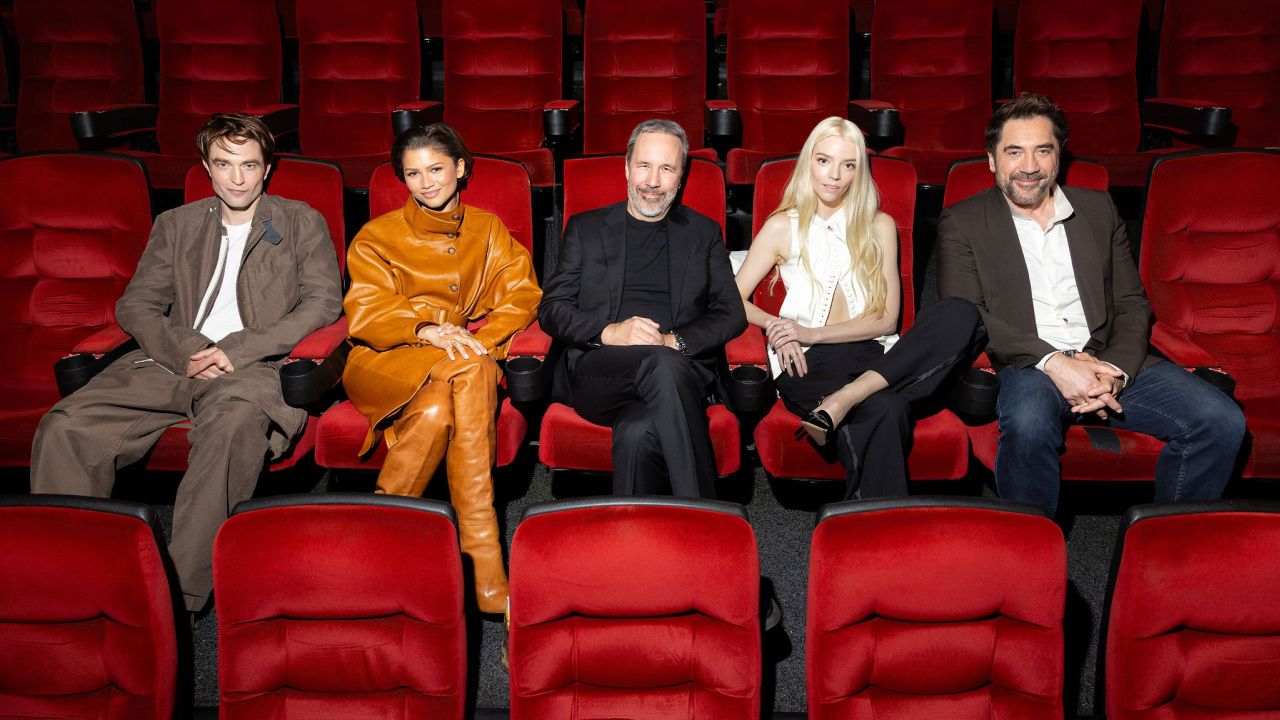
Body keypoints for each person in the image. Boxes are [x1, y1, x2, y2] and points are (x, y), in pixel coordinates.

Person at [30, 113, 343, 615]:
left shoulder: (300, 220)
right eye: (224, 164)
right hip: (168, 361)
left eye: (248, 165)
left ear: (267, 169)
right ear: (206, 167)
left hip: (254, 367)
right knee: (65, 426)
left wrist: (236, 349)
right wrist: (187, 351)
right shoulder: (175, 225)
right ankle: (72, 582)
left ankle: (175, 600)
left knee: (232, 428)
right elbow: (136, 306)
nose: (236, 178)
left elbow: (322, 305)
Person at [938, 93, 1245, 515]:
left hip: (1106, 359)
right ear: (992, 160)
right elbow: (966, 312)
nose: (1028, 167)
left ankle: (1170, 550)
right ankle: (1033, 557)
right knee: (1027, 425)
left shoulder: (1098, 210)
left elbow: (1131, 301)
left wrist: (1114, 370)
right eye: (1014, 152)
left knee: (1221, 421)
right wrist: (1058, 365)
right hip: (1029, 363)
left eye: (1042, 151)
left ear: (1058, 157)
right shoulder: (963, 220)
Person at [343, 123, 540, 614]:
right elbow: (366, 312)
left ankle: (379, 550)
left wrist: (486, 340)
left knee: (436, 414)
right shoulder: (377, 236)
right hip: (386, 358)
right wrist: (426, 330)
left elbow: (523, 296)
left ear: (460, 168)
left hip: (456, 359)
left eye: (436, 169)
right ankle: (487, 570)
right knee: (473, 371)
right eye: (413, 173)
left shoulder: (488, 229)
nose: (426, 182)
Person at [734, 116, 984, 499]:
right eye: (823, 161)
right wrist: (778, 326)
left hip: (876, 356)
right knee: (888, 410)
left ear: (859, 171)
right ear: (808, 163)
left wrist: (811, 332)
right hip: (808, 361)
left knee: (962, 314)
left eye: (848, 165)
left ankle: (841, 402)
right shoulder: (783, 226)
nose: (834, 175)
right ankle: (878, 533)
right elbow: (732, 299)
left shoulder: (880, 226)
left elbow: (886, 319)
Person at [539, 119, 746, 498]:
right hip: (600, 371)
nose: (652, 181)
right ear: (627, 168)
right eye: (644, 166)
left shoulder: (702, 233)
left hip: (678, 371)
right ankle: (706, 517)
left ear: (680, 178)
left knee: (637, 432)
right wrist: (610, 332)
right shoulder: (586, 229)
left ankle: (637, 541)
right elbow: (552, 309)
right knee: (658, 363)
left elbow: (731, 313)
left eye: (666, 169)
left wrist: (673, 341)